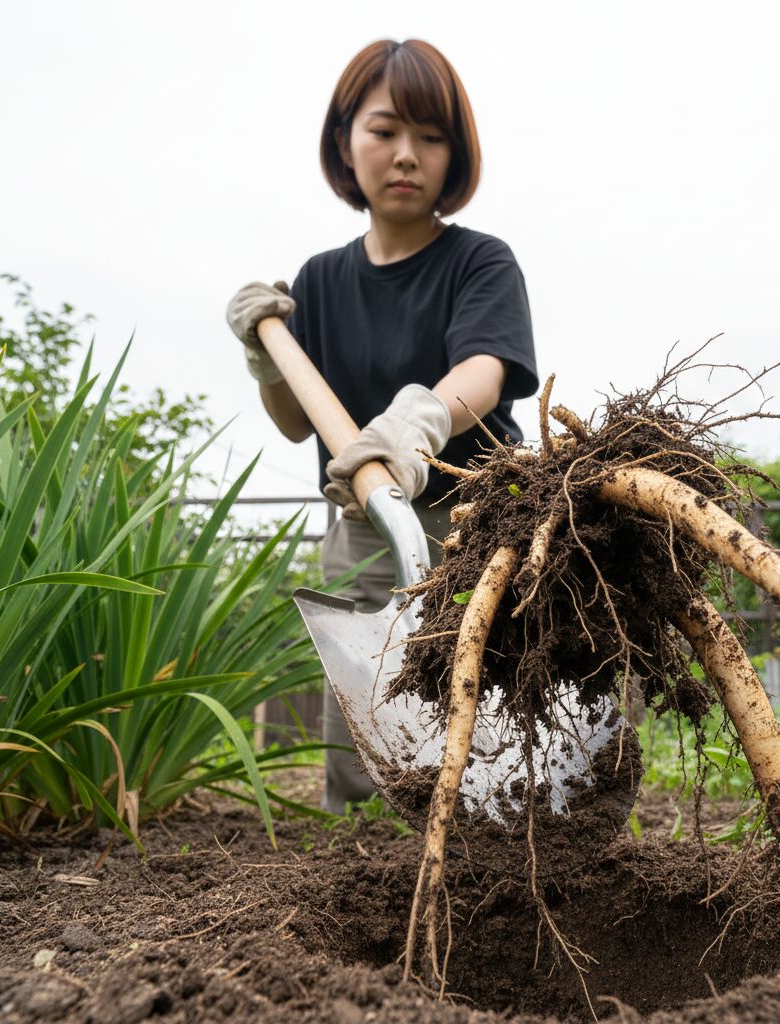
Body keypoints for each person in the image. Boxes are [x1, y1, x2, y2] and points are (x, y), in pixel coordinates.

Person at [226, 38, 538, 814]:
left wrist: (416, 422)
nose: (407, 155)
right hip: (366, 522)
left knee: (490, 670)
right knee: (365, 675)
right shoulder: (323, 281)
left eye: (432, 138)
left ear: (455, 156)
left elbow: (485, 370)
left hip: (481, 508)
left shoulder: (480, 262)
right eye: (386, 131)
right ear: (345, 142)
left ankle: (505, 819)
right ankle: (359, 836)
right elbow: (300, 423)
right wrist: (270, 363)